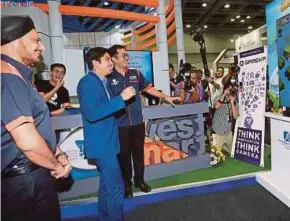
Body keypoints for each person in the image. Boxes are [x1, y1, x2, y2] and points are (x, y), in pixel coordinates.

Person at [1, 16, 71, 221]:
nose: (42, 47)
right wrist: (57, 166)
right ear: (15, 41)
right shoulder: (7, 76)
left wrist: (57, 153)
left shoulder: (19, 76)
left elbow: (36, 126)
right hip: (24, 184)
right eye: (36, 40)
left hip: (29, 178)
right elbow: (27, 141)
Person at [107, 45, 180, 198]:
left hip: (138, 123)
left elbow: (148, 88)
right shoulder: (108, 77)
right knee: (124, 156)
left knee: (139, 154)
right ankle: (126, 185)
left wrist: (166, 97)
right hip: (120, 125)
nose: (127, 58)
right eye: (123, 55)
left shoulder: (136, 73)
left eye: (127, 55)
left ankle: (139, 180)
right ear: (113, 58)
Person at [77, 47, 136, 221]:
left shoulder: (101, 81)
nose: (111, 63)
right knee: (116, 186)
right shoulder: (88, 82)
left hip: (108, 143)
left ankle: (105, 217)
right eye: (107, 60)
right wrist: (120, 99)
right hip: (102, 144)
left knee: (106, 186)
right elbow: (92, 113)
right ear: (95, 63)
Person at [212, 82, 239, 154]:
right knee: (215, 155)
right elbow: (216, 106)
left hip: (227, 131)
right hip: (218, 130)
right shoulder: (219, 97)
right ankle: (218, 145)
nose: (231, 92)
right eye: (229, 90)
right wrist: (224, 95)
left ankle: (223, 146)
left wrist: (232, 102)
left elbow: (235, 116)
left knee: (233, 152)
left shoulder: (235, 101)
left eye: (232, 90)